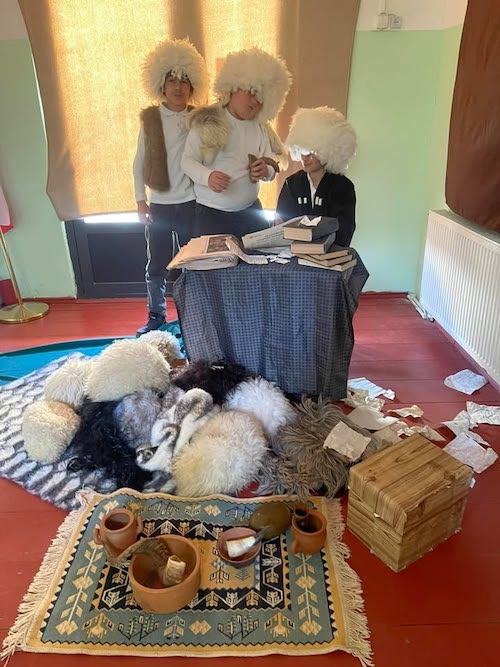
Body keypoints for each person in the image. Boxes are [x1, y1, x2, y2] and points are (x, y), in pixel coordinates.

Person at [133, 39, 209, 337]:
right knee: (157, 263)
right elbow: (139, 161)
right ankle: (156, 314)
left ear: (193, 86)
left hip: (192, 202)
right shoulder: (151, 119)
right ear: (161, 85)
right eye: (172, 80)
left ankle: (194, 313)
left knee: (192, 261)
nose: (178, 87)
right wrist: (141, 199)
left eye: (184, 81)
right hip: (160, 204)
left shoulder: (199, 118)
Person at [181, 47, 291, 238]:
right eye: (251, 93)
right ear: (233, 86)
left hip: (251, 213)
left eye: (261, 98)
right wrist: (208, 177)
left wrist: (266, 170)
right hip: (211, 215)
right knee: (214, 258)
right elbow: (187, 161)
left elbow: (271, 164)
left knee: (256, 257)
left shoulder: (260, 127)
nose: (255, 102)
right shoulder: (208, 120)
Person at [276, 106, 357, 247]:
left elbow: (345, 228)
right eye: (301, 150)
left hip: (329, 253)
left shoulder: (343, 186)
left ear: (328, 150)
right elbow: (281, 222)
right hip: (294, 252)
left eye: (311, 152)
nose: (305, 157)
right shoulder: (292, 183)